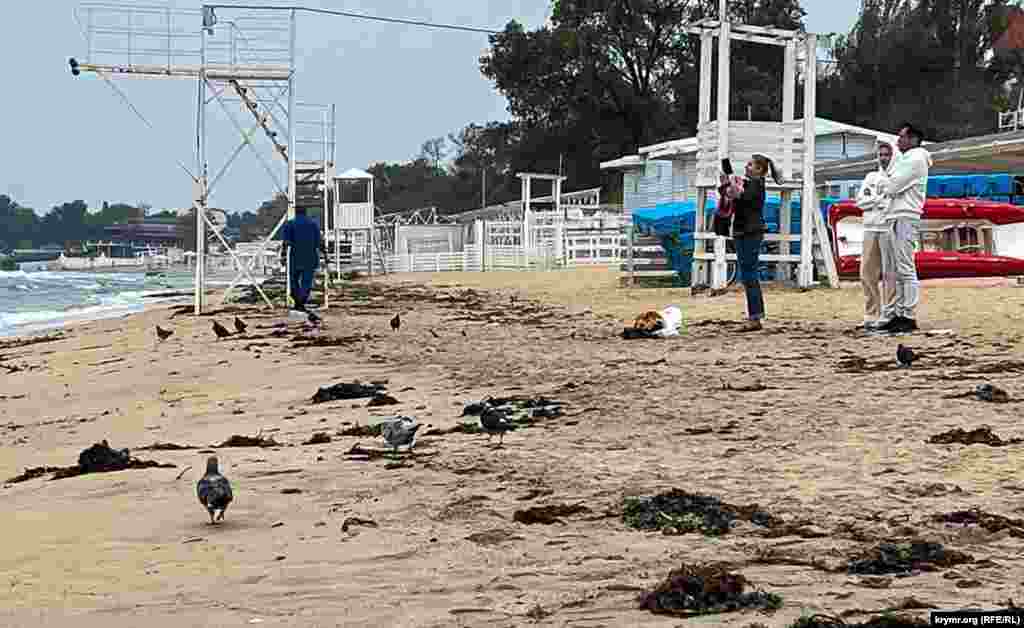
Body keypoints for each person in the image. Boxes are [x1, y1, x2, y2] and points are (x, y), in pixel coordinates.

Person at [877, 123, 932, 334]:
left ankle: (908, 315)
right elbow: (890, 183)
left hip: (906, 215)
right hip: (898, 215)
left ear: (913, 139)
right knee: (898, 269)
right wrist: (887, 183)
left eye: (901, 137)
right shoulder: (908, 158)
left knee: (905, 268)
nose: (898, 141)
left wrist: (886, 183)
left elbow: (891, 186)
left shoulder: (916, 158)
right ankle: (900, 313)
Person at [720, 153, 781, 332]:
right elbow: (732, 194)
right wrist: (728, 183)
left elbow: (740, 197)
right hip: (744, 231)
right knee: (748, 275)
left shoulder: (756, 185)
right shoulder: (750, 183)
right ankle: (755, 316)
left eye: (750, 165)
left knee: (749, 275)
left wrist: (731, 183)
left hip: (749, 232)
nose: (746, 167)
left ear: (760, 170)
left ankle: (755, 317)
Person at [854, 140, 896, 328]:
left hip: (888, 227)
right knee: (866, 272)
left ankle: (890, 311)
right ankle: (872, 311)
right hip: (870, 226)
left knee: (890, 272)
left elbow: (891, 203)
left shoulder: (897, 177)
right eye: (881, 155)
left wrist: (874, 201)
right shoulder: (870, 176)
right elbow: (861, 202)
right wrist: (878, 200)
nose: (884, 158)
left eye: (887, 154)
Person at [279, 206, 328, 313]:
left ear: (296, 212)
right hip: (310, 257)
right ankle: (301, 303)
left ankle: (298, 303)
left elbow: (286, 242)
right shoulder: (313, 224)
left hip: (295, 257)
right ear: (306, 213)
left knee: (293, 281)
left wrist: (282, 256)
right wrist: (325, 255)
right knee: (307, 282)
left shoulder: (290, 224)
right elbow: (320, 242)